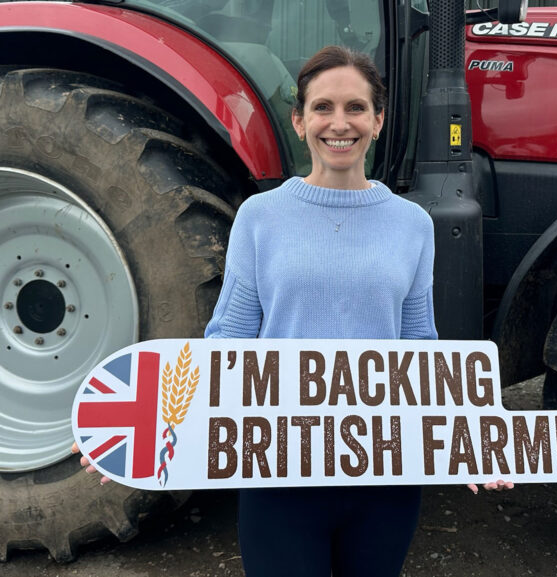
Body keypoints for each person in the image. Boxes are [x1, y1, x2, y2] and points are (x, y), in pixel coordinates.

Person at [74, 45, 511, 576]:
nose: (339, 123)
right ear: (300, 122)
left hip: (386, 475)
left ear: (378, 120)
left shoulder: (412, 224)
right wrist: (147, 430)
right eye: (323, 108)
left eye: (355, 108)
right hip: (277, 470)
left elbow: (418, 341)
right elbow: (229, 339)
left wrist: (471, 433)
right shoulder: (261, 217)